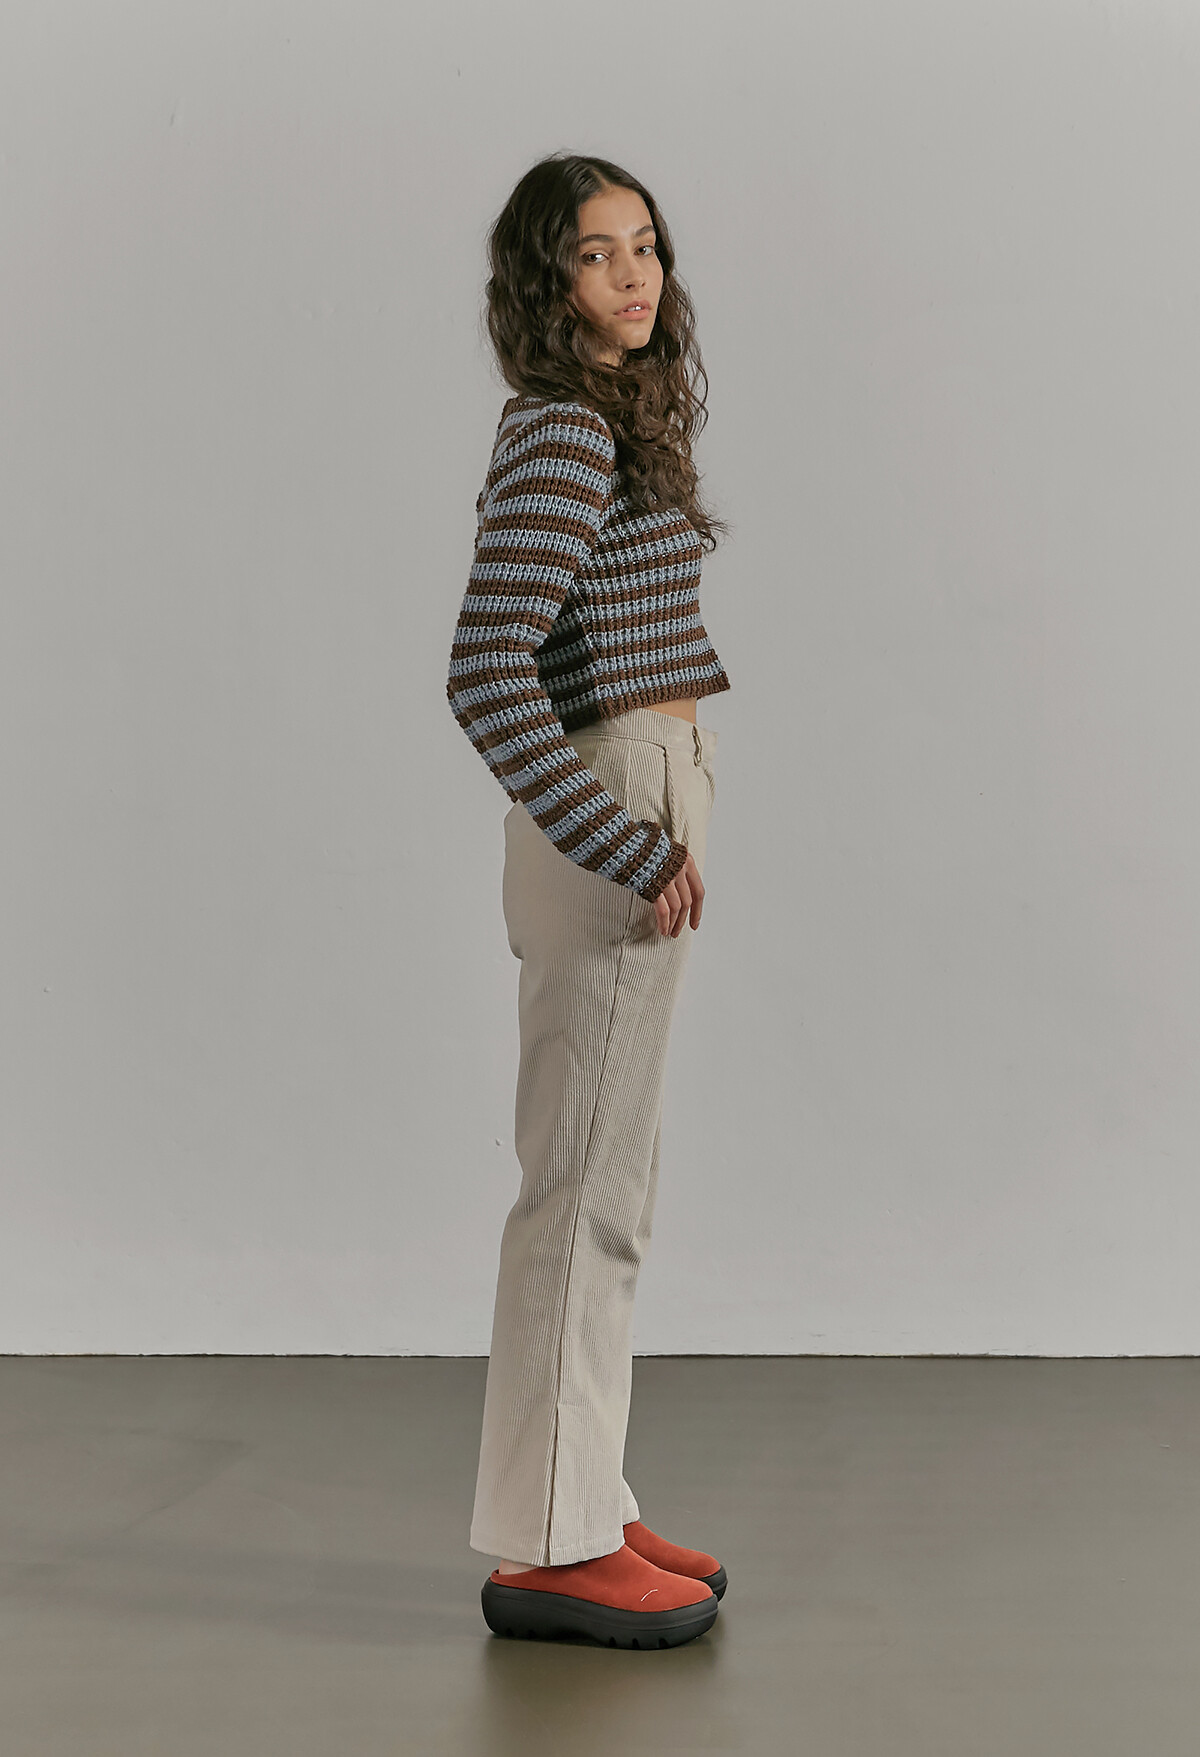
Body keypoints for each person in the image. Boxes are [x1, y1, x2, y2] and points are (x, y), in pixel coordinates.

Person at [445, 152, 733, 1649]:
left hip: (642, 780)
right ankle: (551, 1550)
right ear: (546, 281)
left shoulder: (609, 419)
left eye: (647, 246)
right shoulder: (565, 431)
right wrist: (626, 840)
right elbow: (486, 672)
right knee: (578, 1192)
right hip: (610, 803)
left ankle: (585, 1500)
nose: (633, 276)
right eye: (596, 253)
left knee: (607, 1184)